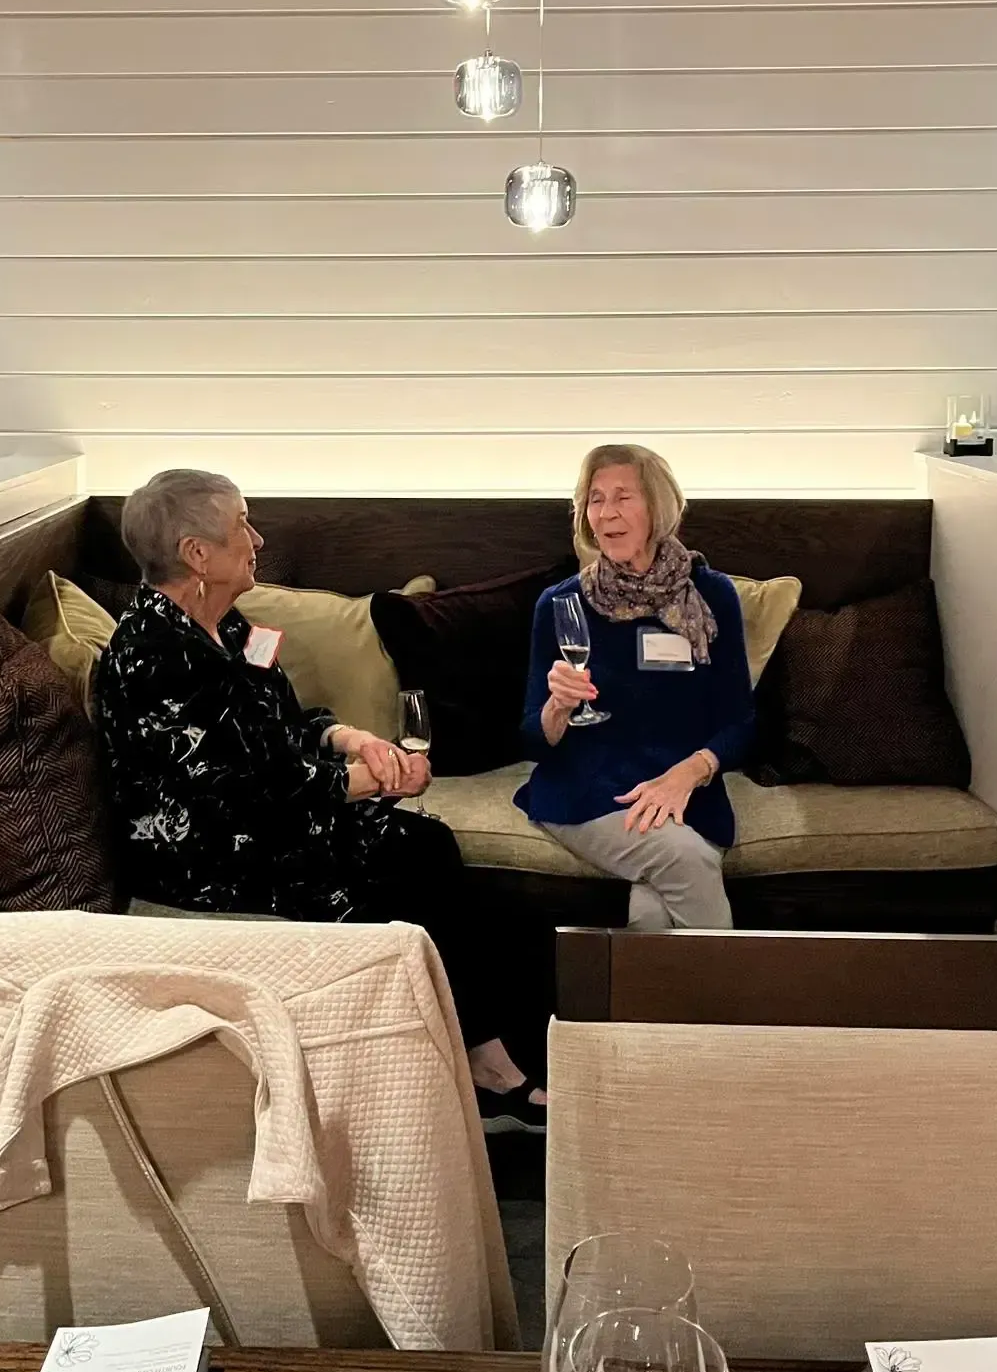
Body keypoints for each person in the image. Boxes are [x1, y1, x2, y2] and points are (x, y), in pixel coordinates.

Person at [94, 467, 546, 1132]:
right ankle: (463, 1076)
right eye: (241, 524)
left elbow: (286, 723)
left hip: (274, 814)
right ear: (197, 554)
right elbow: (237, 795)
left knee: (429, 848)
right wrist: (372, 782)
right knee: (404, 865)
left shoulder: (228, 626)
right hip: (213, 854)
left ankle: (484, 1062)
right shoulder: (153, 657)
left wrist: (353, 739)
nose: (257, 537)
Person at [517, 443, 753, 931]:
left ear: (657, 507)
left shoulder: (710, 597)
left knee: (652, 911)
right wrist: (557, 709)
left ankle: (643, 1010)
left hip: (683, 787)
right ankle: (737, 1005)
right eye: (596, 499)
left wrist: (689, 773)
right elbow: (532, 738)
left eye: (623, 497)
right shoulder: (561, 604)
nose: (607, 513)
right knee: (684, 858)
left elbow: (741, 722)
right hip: (589, 789)